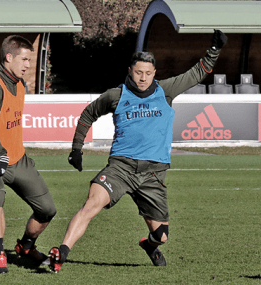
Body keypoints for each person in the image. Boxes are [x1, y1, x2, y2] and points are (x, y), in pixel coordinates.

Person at [48, 30, 228, 273]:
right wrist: (76, 148)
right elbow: (88, 114)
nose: (143, 78)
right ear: (130, 71)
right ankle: (62, 253)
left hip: (153, 174)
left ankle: (149, 246)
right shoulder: (116, 95)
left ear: (154, 73)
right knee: (91, 204)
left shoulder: (165, 91)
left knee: (161, 235)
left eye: (148, 73)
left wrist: (214, 49)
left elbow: (197, 73)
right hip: (120, 168)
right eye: (138, 72)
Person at [0, 35, 57, 274]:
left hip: (18, 159)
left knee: (47, 209)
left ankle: (25, 247)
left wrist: (10, 154)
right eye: (24, 59)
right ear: (8, 57)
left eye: (30, 59)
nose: (28, 65)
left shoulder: (20, 84)